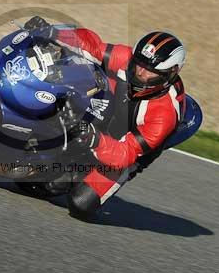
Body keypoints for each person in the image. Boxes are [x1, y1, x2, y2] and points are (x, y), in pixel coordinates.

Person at [23, 16, 187, 220]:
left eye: (149, 71)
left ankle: (79, 171)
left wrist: (88, 136)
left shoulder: (164, 115)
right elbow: (93, 47)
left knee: (80, 204)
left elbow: (124, 154)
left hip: (128, 149)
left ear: (170, 74)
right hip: (112, 110)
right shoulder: (129, 59)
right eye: (139, 63)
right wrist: (53, 32)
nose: (139, 72)